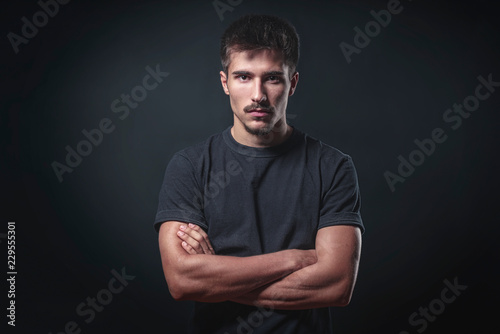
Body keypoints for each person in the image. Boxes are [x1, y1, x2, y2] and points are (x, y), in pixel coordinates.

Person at [155, 14, 364, 334]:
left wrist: (215, 281)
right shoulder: (190, 165)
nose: (258, 95)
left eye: (272, 78)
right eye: (243, 77)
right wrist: (294, 260)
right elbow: (182, 281)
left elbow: (336, 286)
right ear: (224, 82)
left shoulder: (332, 167)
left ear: (292, 83)